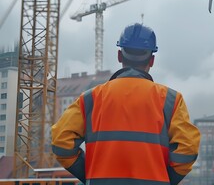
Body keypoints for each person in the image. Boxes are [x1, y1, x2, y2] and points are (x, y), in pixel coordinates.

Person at [51, 23, 200, 185]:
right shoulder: (171, 100)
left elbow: (61, 141)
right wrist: (164, 179)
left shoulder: (91, 98)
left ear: (119, 56)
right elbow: (187, 150)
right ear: (152, 60)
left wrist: (89, 174)